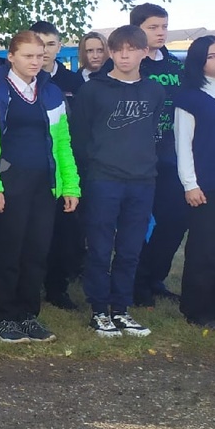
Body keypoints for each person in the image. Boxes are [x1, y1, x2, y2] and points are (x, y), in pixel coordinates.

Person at [0, 30, 81, 344]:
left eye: (39, 55)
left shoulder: (50, 91)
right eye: (28, 56)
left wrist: (70, 185)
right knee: (8, 251)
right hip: (9, 183)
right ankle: (5, 318)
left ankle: (27, 314)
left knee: (36, 251)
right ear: (11, 57)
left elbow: (62, 142)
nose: (36, 61)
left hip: (44, 184)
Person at [70, 25, 162, 338]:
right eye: (118, 49)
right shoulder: (92, 90)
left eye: (132, 49)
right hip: (103, 180)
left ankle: (121, 309)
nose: (124, 56)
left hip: (142, 181)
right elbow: (80, 137)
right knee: (99, 248)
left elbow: (151, 131)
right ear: (110, 52)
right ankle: (99, 310)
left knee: (130, 249)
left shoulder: (154, 91)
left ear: (144, 52)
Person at [116, 4, 187, 306]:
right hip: (137, 156)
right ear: (138, 30)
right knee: (136, 222)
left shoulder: (176, 65)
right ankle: (135, 282)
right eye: (153, 27)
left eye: (164, 26)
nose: (161, 33)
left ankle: (153, 276)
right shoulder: (131, 64)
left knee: (176, 219)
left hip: (173, 154)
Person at [31, 21, 85, 310]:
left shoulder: (73, 82)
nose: (44, 51)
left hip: (63, 166)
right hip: (29, 168)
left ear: (59, 47)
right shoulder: (16, 81)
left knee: (63, 231)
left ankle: (57, 287)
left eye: (50, 44)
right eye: (39, 44)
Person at [174, 34, 215, 328]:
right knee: (204, 249)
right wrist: (190, 184)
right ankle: (197, 309)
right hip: (206, 185)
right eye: (212, 56)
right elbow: (183, 144)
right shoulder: (189, 98)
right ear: (199, 61)